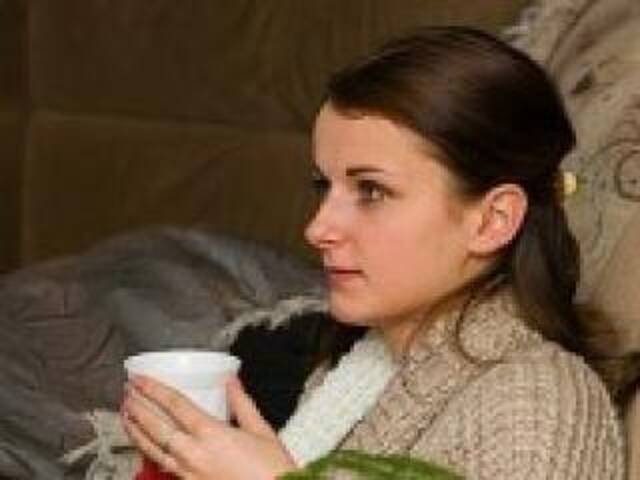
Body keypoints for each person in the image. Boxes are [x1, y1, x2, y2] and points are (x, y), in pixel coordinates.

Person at [121, 26, 624, 479]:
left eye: (371, 191)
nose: (317, 229)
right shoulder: (360, 367)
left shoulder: (539, 407)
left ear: (493, 220)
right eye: (325, 186)